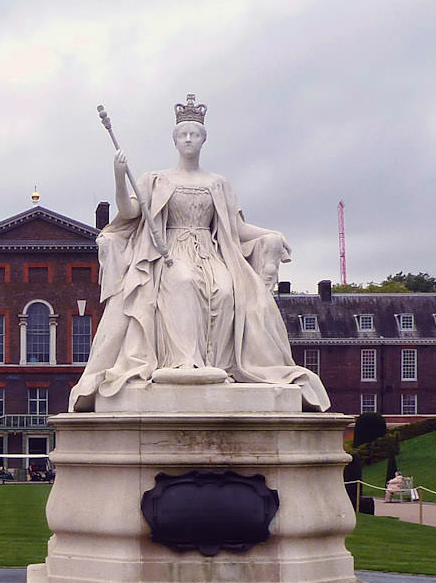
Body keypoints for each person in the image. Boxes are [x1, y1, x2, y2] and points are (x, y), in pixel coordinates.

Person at [71, 95, 330, 412]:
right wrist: (118, 176)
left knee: (225, 290)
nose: (188, 139)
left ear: (203, 139)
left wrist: (271, 235)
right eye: (183, 134)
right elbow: (129, 213)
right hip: (169, 252)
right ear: (175, 140)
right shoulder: (155, 179)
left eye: (194, 134)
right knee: (183, 281)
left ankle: (217, 366)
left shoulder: (218, 183)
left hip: (210, 252)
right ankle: (184, 362)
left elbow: (236, 229)